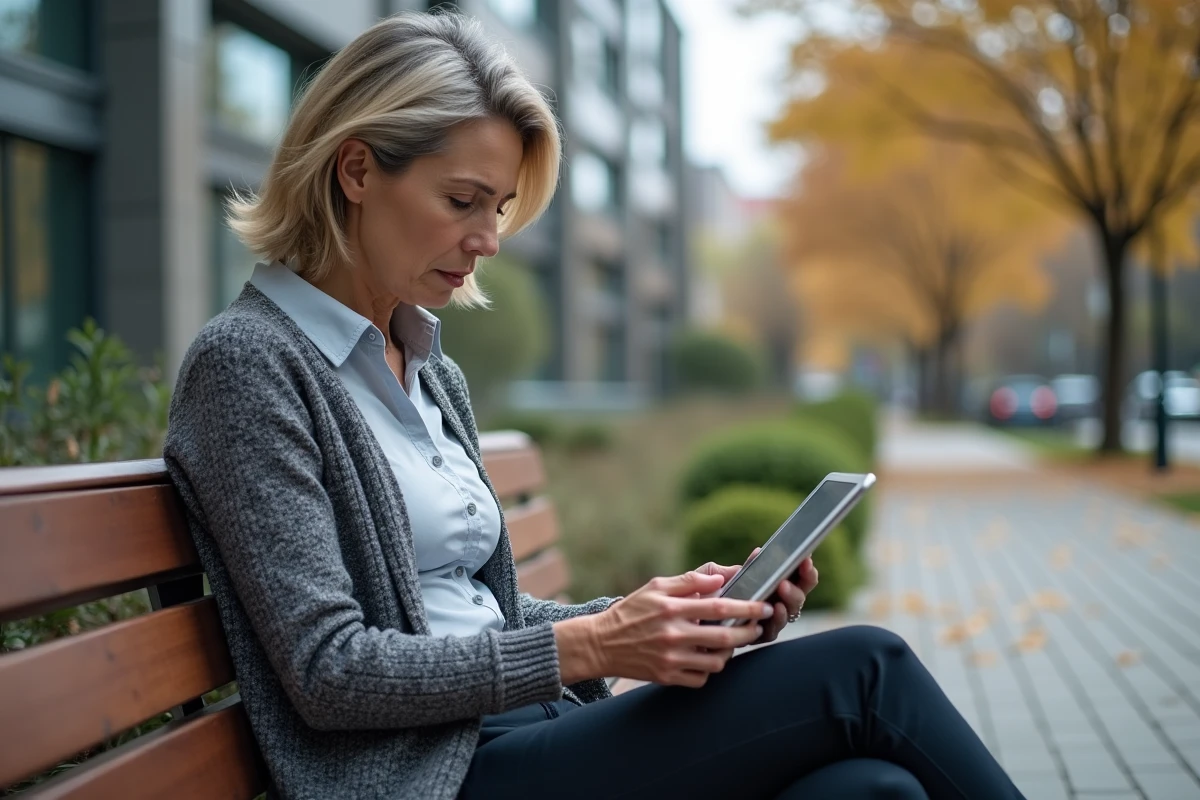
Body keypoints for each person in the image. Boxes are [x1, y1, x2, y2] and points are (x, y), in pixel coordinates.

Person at [164, 11, 1026, 800]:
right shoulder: (250, 366)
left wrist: (670, 614)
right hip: (430, 779)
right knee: (865, 667)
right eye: (462, 201)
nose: (489, 240)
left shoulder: (428, 368)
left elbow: (485, 615)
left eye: (497, 209)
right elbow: (329, 671)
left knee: (874, 791)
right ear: (356, 169)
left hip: (537, 735)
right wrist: (599, 645)